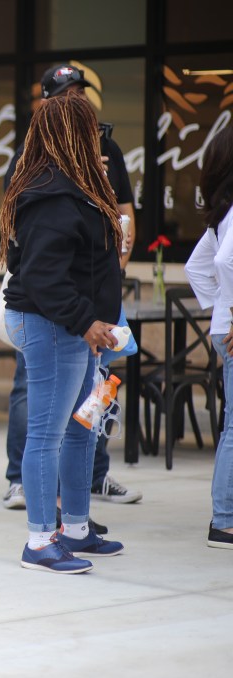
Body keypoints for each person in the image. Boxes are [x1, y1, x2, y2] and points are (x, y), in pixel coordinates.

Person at [2, 64, 142, 510]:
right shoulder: (49, 189)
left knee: (83, 425)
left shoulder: (86, 175)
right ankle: (41, 535)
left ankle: (78, 525)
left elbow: (108, 234)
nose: (95, 133)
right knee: (48, 431)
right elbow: (42, 272)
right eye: (82, 121)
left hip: (85, 322)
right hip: (56, 322)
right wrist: (86, 322)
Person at [183, 125, 233, 550]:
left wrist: (220, 309)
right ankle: (225, 521)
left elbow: (196, 268)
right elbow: (224, 262)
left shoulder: (224, 214)